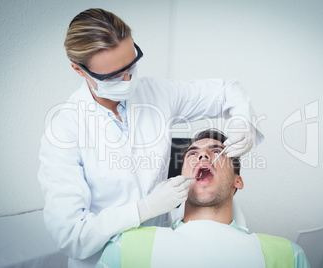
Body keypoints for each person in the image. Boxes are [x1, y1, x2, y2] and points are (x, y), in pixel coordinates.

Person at [38, 8, 264, 268]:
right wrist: (143, 209)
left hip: (159, 253)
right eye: (113, 76)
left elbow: (227, 91)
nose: (128, 79)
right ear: (79, 70)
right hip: (101, 259)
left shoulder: (157, 94)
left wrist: (242, 121)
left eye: (131, 65)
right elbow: (70, 236)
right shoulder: (64, 129)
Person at [96, 129, 309, 268]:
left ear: (238, 181)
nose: (203, 156)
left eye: (217, 151)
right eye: (192, 154)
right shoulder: (125, 247)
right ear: (179, 177)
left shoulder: (289, 256)